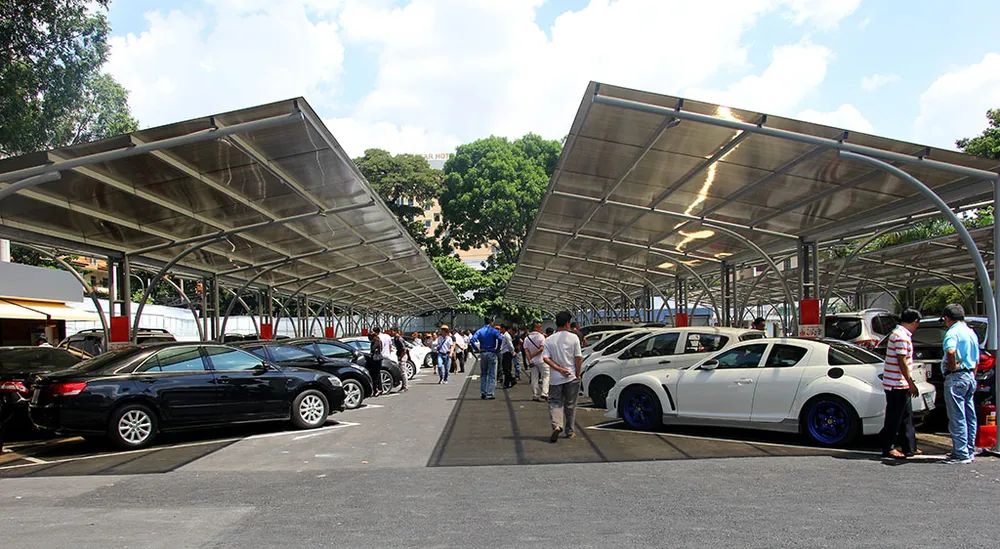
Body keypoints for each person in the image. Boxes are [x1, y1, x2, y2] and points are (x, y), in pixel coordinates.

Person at [940, 304, 980, 464]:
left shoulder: (953, 332)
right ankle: (969, 449)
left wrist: (952, 367)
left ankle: (961, 453)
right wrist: (972, 375)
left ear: (947, 318)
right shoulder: (971, 332)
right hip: (970, 375)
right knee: (970, 415)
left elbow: (950, 351)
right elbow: (977, 358)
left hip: (956, 376)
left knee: (957, 416)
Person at [880, 309, 921, 459]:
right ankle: (888, 447)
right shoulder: (901, 336)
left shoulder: (901, 334)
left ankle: (909, 446)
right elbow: (901, 361)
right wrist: (911, 382)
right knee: (894, 417)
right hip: (896, 383)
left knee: (905, 416)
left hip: (899, 382)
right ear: (915, 321)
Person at [543, 311, 583, 443]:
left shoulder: (549, 340)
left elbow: (546, 358)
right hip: (571, 376)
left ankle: (557, 425)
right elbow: (578, 358)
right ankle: (569, 431)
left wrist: (558, 368)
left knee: (555, 402)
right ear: (567, 323)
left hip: (555, 378)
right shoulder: (574, 338)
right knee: (570, 404)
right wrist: (577, 374)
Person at [470, 319, 503, 399]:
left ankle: (483, 392)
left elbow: (472, 340)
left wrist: (477, 349)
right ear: (491, 322)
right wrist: (498, 348)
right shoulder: (494, 331)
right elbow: (500, 339)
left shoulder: (480, 331)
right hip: (491, 352)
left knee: (483, 373)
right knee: (492, 374)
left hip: (483, 353)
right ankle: (490, 393)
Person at [525, 322, 548, 402]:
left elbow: (526, 351)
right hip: (541, 360)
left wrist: (530, 359)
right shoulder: (541, 337)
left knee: (534, 378)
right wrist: (533, 355)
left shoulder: (527, 338)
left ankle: (535, 394)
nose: (541, 329)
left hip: (533, 361)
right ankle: (544, 393)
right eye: (540, 327)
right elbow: (542, 348)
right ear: (537, 328)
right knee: (546, 376)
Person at [366, 331, 384, 397]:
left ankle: (378, 389)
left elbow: (373, 349)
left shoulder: (376, 341)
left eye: (369, 337)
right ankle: (377, 389)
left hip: (376, 360)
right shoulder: (377, 341)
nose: (368, 338)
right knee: (376, 375)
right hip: (376, 359)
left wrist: (373, 350)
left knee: (376, 375)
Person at [499, 324, 515, 389]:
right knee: (506, 369)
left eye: (500, 328)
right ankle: (507, 383)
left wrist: (512, 352)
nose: (500, 330)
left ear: (503, 328)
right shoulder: (504, 335)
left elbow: (510, 345)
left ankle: (512, 380)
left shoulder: (507, 335)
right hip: (505, 353)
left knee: (506, 369)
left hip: (507, 353)